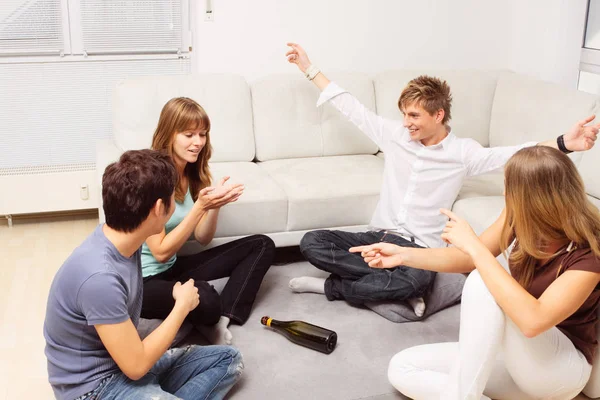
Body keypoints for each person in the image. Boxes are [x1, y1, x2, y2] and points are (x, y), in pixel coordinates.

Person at [285, 42, 600, 317]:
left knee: (416, 279)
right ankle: (386, 290)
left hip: (420, 248)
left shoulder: (463, 153)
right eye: (404, 114)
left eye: (414, 116)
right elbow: (350, 106)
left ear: (438, 115)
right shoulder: (394, 135)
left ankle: (337, 288)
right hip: (378, 236)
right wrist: (308, 67)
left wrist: (565, 143)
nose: (406, 123)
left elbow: (514, 154)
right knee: (311, 243)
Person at [352, 146, 600, 399]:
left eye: (509, 187)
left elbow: (533, 322)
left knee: (484, 280)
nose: (504, 193)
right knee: (403, 367)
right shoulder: (521, 217)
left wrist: (473, 245)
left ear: (534, 198)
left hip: (559, 372)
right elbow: (465, 258)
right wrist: (402, 255)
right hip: (516, 359)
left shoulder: (590, 252)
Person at [44, 149, 243, 400]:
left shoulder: (124, 239)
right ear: (159, 207)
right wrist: (182, 306)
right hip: (93, 389)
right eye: (174, 198)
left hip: (122, 364)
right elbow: (136, 367)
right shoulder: (99, 277)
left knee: (229, 359)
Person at [141, 97, 275, 345]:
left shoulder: (192, 172)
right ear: (169, 133)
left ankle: (224, 319)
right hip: (144, 281)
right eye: (189, 134)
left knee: (262, 244)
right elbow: (159, 252)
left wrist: (215, 205)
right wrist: (200, 206)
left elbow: (202, 238)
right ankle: (204, 314)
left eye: (202, 134)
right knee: (207, 298)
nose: (198, 142)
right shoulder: (152, 177)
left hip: (171, 268)